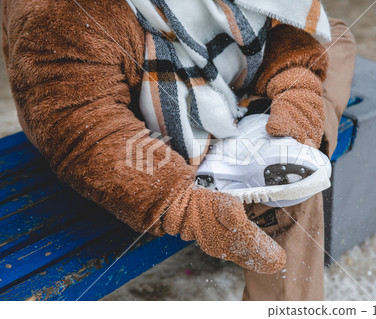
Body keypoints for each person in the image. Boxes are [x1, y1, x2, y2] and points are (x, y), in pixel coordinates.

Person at [2, 0, 355, 300]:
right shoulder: (59, 13)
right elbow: (83, 127)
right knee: (288, 199)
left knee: (336, 34)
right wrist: (181, 203)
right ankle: (247, 158)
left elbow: (272, 18)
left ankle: (274, 136)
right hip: (128, 134)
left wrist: (295, 79)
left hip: (216, 80)